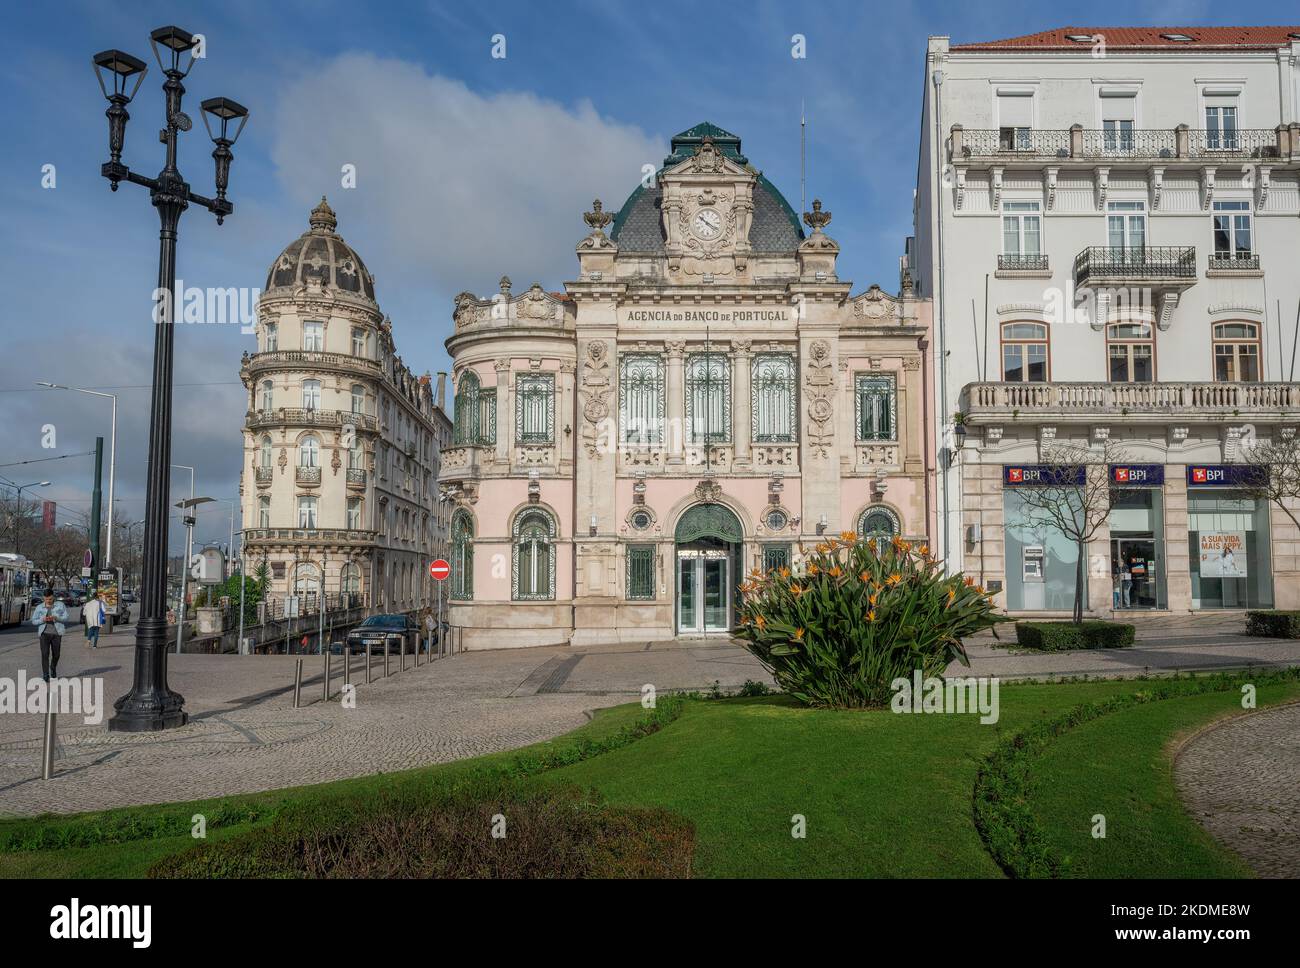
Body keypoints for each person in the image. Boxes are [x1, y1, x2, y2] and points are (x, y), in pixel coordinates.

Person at [31, 590, 68, 682]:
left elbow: (66, 617)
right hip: (44, 634)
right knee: (44, 654)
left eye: (50, 599)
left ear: (53, 597)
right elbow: (33, 621)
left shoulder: (60, 605)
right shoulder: (39, 607)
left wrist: (56, 618)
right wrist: (42, 620)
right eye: (46, 599)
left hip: (57, 633)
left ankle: (53, 667)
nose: (48, 601)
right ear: (44, 598)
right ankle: (45, 674)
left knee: (56, 654)